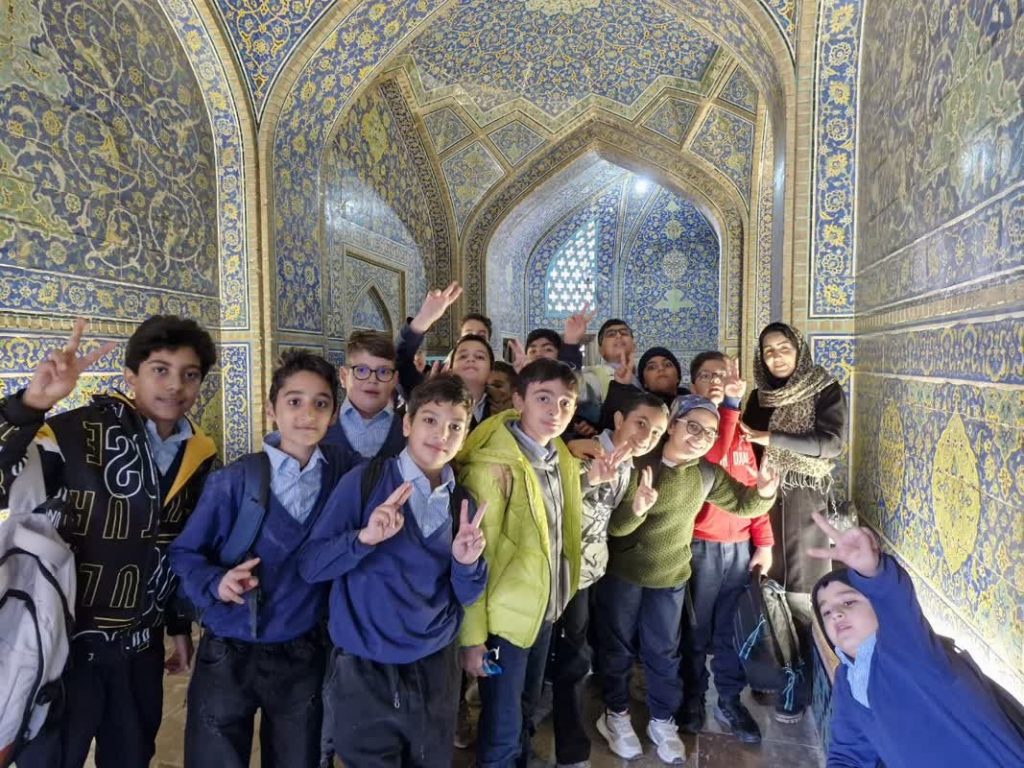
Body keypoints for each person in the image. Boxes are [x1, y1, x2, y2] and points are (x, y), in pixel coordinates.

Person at [3, 316, 219, 768]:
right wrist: (30, 406)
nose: (175, 385)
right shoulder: (71, 435)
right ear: (130, 376)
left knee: (131, 754)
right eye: (160, 370)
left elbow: (181, 545)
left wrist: (178, 624)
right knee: (51, 758)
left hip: (140, 648)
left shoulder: (200, 453)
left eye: (190, 374)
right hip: (65, 648)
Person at [169, 351, 351, 768]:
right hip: (228, 651)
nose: (307, 414)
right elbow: (184, 553)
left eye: (321, 403)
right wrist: (216, 582)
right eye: (294, 401)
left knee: (296, 757)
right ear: (271, 409)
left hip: (302, 651)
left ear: (333, 415)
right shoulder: (235, 481)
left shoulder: (340, 480)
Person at [299, 375, 487, 767]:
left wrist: (467, 563)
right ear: (407, 424)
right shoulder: (365, 483)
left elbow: (466, 595)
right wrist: (364, 539)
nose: (441, 435)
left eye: (455, 426)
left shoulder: (463, 504)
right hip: (365, 667)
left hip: (435, 666)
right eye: (430, 420)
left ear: (465, 435)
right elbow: (312, 565)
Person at [596, 395, 779, 765]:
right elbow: (614, 529)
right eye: (693, 427)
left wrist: (764, 490)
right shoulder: (640, 464)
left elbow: (745, 505)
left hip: (671, 578)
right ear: (673, 426)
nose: (701, 437)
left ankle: (662, 720)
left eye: (710, 433)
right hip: (624, 574)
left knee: (664, 651)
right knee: (617, 649)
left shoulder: (705, 474)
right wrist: (637, 509)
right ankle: (615, 714)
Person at [809, 513, 1024, 767]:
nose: (836, 613)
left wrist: (871, 572)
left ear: (877, 608)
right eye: (826, 612)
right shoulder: (849, 680)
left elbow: (894, 601)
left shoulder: (906, 651)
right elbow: (849, 754)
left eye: (848, 602)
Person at [456, 358, 583, 768]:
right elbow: (475, 560)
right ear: (518, 401)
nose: (555, 411)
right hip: (502, 625)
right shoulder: (492, 468)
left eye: (565, 403)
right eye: (543, 398)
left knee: (526, 706)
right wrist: (473, 638)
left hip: (541, 612)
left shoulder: (558, 456)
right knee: (502, 721)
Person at [552, 392, 669, 768]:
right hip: (555, 571)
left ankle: (570, 742)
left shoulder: (630, 468)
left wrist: (637, 510)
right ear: (618, 420)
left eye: (657, 432)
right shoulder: (577, 450)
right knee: (556, 660)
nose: (647, 436)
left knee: (575, 657)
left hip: (589, 575)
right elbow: (550, 505)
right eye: (640, 424)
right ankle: (552, 746)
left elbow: (612, 527)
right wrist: (588, 478)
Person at [741, 322, 847, 722]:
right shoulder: (759, 398)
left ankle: (798, 686)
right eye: (768, 350)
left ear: (798, 349)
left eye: (783, 347)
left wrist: (774, 440)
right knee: (767, 587)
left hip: (804, 496)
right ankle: (771, 671)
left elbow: (831, 444)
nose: (777, 356)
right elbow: (746, 447)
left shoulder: (824, 388)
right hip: (764, 496)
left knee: (803, 589)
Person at [677, 352, 773, 743]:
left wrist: (764, 542)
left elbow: (753, 486)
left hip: (739, 549)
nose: (716, 380)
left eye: (721, 374)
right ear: (693, 385)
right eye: (706, 375)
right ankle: (694, 697)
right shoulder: (690, 432)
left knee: (732, 631)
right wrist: (730, 405)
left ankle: (729, 700)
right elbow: (713, 464)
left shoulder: (742, 433)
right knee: (695, 631)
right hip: (701, 548)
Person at [322, 330, 405, 460]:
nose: (372, 380)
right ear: (344, 377)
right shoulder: (321, 425)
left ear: (395, 380)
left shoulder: (408, 430)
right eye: (361, 370)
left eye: (383, 372)